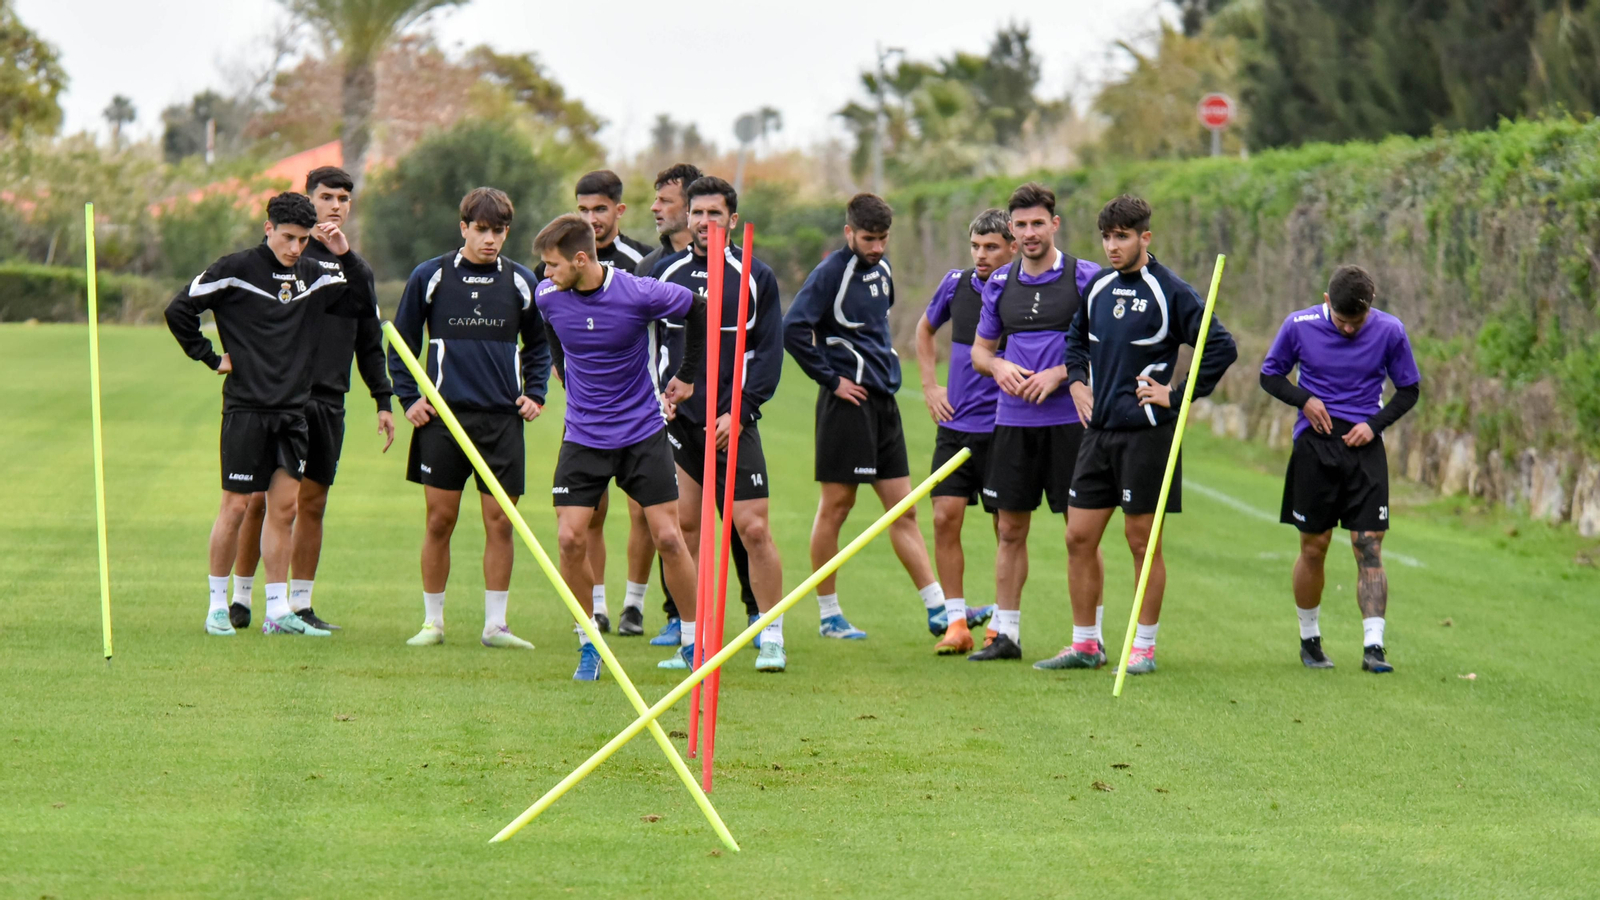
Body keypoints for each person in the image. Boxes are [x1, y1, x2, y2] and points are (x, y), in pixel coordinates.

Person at [165, 191, 376, 637]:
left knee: (285, 511)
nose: (295, 248)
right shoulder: (235, 270)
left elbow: (360, 304)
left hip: (294, 412)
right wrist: (210, 356)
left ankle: (278, 612)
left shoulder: (315, 274)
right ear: (268, 229)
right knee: (236, 507)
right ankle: (217, 607)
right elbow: (179, 309)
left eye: (302, 240)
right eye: (287, 238)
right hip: (246, 409)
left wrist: (345, 255)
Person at [1046, 194, 1237, 675]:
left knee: (1141, 542)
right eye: (1107, 237)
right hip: (1098, 433)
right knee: (1077, 536)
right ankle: (1086, 645)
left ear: (1144, 237)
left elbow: (1221, 347)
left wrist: (1177, 395)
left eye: (1122, 237)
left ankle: (1143, 649)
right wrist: (1076, 382)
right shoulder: (1099, 287)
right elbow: (1075, 340)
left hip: (1147, 436)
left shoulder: (1170, 291)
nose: (1112, 246)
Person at [535, 213, 706, 680]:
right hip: (583, 437)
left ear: (581, 259)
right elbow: (551, 325)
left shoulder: (637, 291)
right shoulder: (548, 295)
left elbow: (699, 309)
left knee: (668, 536)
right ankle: (589, 640)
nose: (545, 275)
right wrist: (559, 366)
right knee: (570, 538)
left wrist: (687, 375)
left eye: (552, 265)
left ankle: (694, 644)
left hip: (641, 433)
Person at [230, 166, 394, 633]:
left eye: (344, 198)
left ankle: (300, 604)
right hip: (280, 397)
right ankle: (242, 597)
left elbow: (369, 336)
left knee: (313, 503)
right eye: (327, 196)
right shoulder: (286, 260)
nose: (336, 205)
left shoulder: (353, 268)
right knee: (260, 499)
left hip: (329, 399)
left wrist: (382, 399)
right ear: (309, 199)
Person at [388, 187, 551, 652]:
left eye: (499, 231)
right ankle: (433, 623)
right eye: (481, 230)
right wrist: (408, 398)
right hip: (443, 422)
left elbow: (540, 345)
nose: (490, 239)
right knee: (440, 521)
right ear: (463, 227)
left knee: (501, 522)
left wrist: (535, 394)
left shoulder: (522, 281)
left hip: (501, 422)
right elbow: (399, 343)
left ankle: (495, 626)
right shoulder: (431, 276)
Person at [783, 193, 947, 639]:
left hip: (883, 403)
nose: (876, 247)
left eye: (883, 239)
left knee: (903, 509)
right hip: (846, 405)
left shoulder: (884, 270)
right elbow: (793, 328)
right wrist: (831, 379)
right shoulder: (830, 274)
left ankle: (939, 609)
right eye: (868, 238)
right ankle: (829, 614)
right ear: (849, 233)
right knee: (837, 507)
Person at [650, 176, 789, 671]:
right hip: (678, 423)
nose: (705, 223)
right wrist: (656, 399)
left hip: (734, 420)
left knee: (752, 528)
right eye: (697, 213)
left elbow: (768, 353)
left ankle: (770, 634)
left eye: (715, 214)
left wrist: (741, 412)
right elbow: (647, 346)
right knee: (682, 530)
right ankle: (693, 642)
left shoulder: (755, 277)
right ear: (687, 219)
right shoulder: (665, 275)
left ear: (732, 219)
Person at [966, 184, 1106, 661]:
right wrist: (1000, 366)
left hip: (1072, 423)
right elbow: (981, 352)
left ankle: (1089, 638)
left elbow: (1107, 346)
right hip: (1013, 423)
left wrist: (1061, 373)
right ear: (1012, 229)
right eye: (1020, 225)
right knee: (1009, 529)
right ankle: (1006, 635)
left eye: (1037, 224)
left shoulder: (1086, 278)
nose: (1029, 233)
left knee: (1079, 532)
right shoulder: (1001, 284)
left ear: (1054, 224)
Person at [1260, 264, 1420, 672]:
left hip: (1364, 448)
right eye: (1342, 320)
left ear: (1371, 307)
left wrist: (1374, 425)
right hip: (1315, 447)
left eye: (1358, 320)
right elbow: (1270, 375)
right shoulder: (1299, 325)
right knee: (1314, 547)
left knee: (1368, 544)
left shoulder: (1390, 331)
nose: (1349, 329)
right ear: (1327, 301)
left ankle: (1374, 648)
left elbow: (1409, 389)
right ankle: (1310, 641)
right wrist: (1304, 400)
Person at [541, 170, 655, 634]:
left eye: (599, 209)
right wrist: (560, 366)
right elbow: (547, 315)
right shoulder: (554, 260)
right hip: (587, 414)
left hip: (638, 406)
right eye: (583, 209)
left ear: (618, 211)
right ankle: (599, 607)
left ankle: (634, 603)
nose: (592, 217)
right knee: (589, 514)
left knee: (644, 511)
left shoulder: (641, 262)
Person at [914, 208, 1019, 654]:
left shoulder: (1023, 293)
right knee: (943, 518)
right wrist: (930, 386)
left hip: (1004, 427)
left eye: (991, 247)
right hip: (955, 426)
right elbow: (924, 329)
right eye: (976, 246)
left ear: (1012, 248)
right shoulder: (956, 284)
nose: (981, 254)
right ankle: (957, 624)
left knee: (1005, 527)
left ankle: (1002, 621)